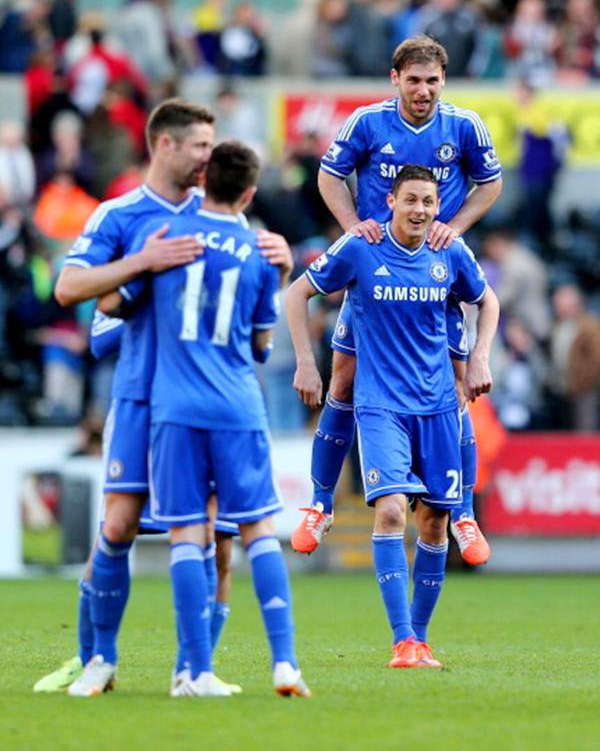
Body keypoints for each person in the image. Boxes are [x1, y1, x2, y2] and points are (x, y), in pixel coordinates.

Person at [36, 99, 290, 696]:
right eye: (200, 145)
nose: (209, 156)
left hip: (208, 402)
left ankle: (193, 668)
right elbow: (70, 287)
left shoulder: (227, 223)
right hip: (142, 399)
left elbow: (251, 323)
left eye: (212, 146)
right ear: (166, 145)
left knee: (217, 539)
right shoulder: (122, 216)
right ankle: (96, 658)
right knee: (119, 526)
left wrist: (273, 267)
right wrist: (142, 263)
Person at [106, 141, 310, 697]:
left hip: (175, 409)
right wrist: (285, 268)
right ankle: (285, 663)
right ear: (247, 193)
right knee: (259, 529)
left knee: (186, 535)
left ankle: (193, 672)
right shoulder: (261, 252)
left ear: (202, 182)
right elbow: (263, 345)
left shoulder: (169, 240)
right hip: (238, 405)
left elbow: (108, 303)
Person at [292, 35, 502, 565]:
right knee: (342, 375)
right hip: (375, 272)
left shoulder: (464, 126)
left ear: (443, 82)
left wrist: (452, 229)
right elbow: (329, 175)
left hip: (434, 275)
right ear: (395, 79)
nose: (424, 90)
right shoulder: (367, 122)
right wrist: (354, 231)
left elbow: (490, 185)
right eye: (414, 80)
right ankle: (320, 503)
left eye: (433, 80)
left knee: (454, 387)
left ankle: (464, 513)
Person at [286, 165, 499, 667]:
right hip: (380, 404)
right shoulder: (362, 247)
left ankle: (420, 638)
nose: (421, 210)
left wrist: (482, 357)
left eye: (428, 201)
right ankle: (401, 638)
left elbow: (487, 301)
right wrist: (303, 362)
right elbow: (297, 293)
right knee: (389, 510)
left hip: (439, 407)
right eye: (411, 201)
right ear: (390, 202)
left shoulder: (450, 250)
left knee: (433, 523)